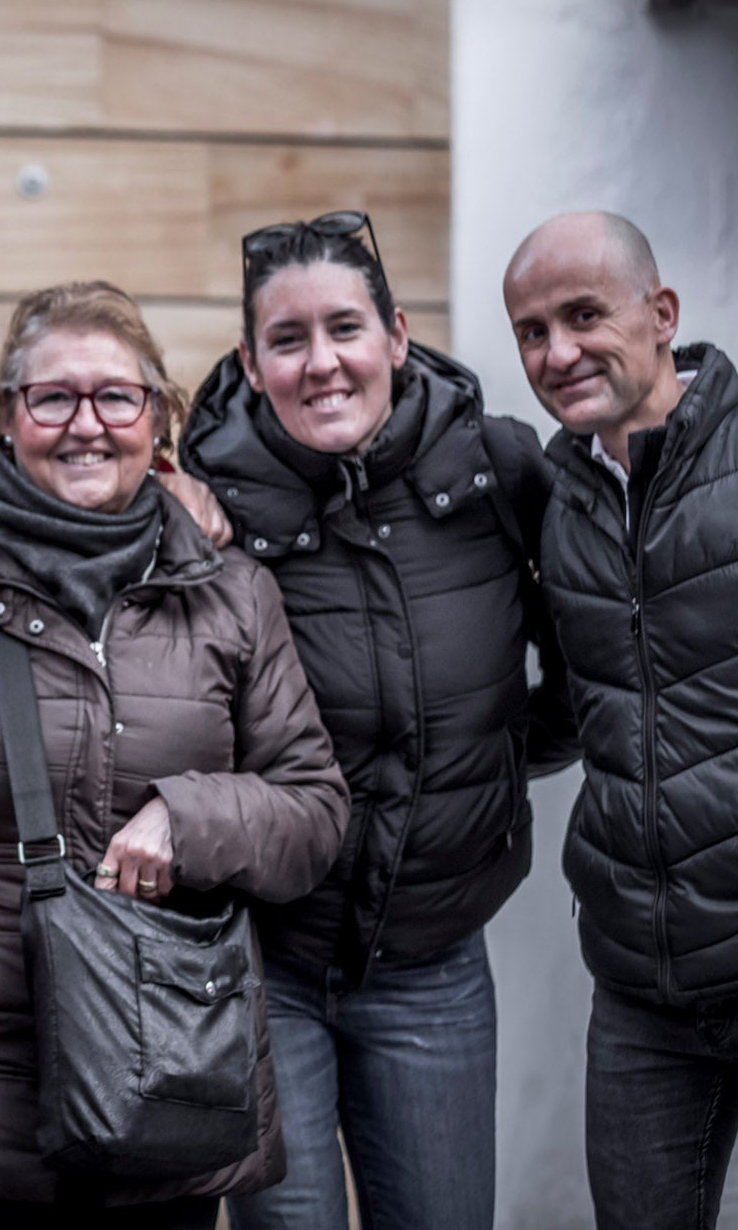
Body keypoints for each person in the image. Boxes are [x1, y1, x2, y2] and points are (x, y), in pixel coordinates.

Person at [0, 281, 349, 1229]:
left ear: (155, 416)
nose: (88, 424)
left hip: (166, 1069)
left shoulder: (233, 595)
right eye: (53, 397)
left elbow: (316, 808)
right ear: (5, 417)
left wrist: (191, 816)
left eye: (117, 396)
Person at [177, 212, 579, 1230]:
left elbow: (588, 657)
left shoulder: (497, 471)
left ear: (396, 336)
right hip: (261, 963)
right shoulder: (200, 506)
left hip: (434, 961)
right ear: (248, 359)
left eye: (344, 328)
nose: (321, 363)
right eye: (286, 339)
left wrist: (483, 760)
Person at [502, 211, 738, 1230]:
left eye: (581, 315)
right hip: (637, 987)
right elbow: (583, 700)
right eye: (530, 330)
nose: (555, 351)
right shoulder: (558, 499)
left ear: (660, 315)